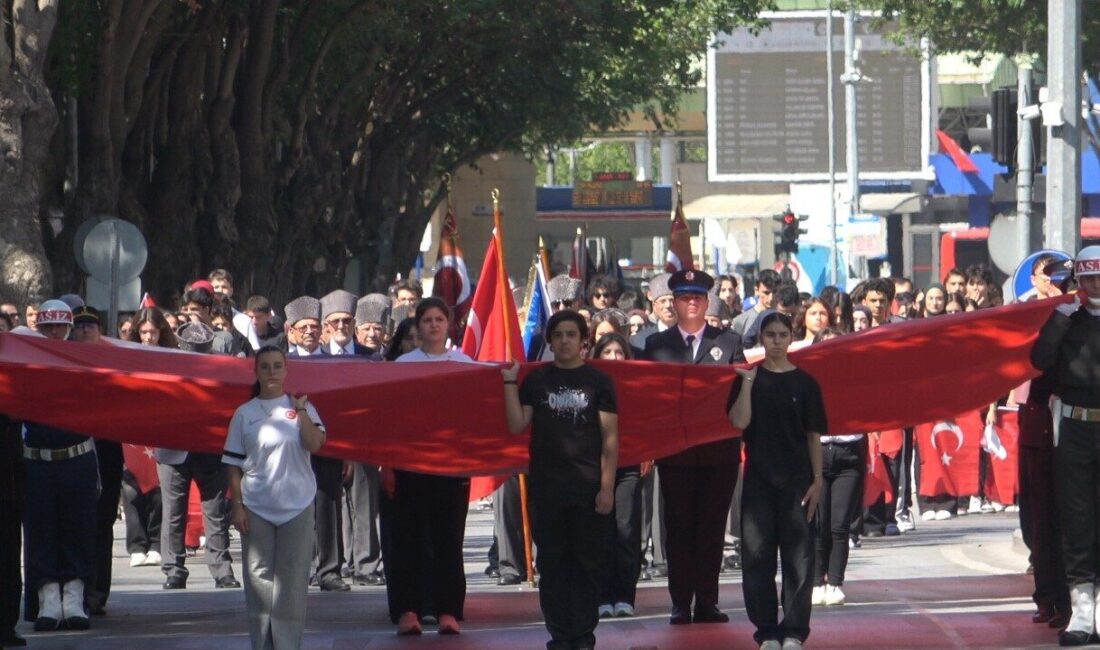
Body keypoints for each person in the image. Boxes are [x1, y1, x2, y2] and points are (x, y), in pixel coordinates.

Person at [503, 310, 618, 650]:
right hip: (547, 489)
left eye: (571, 334)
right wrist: (510, 381)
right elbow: (516, 424)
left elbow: (610, 437)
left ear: (584, 341)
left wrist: (607, 487)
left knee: (586, 564)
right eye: (558, 335)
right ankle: (559, 635)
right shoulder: (537, 381)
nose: (564, 340)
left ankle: (583, 635)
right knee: (552, 564)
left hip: (588, 488)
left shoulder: (599, 382)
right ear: (550, 341)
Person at [644, 269, 745, 625]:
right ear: (673, 302)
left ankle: (707, 600)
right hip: (676, 453)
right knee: (679, 527)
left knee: (711, 528)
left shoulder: (729, 342)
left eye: (698, 297)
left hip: (719, 452)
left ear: (707, 302)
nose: (691, 302)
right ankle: (679, 601)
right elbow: (649, 400)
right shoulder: (658, 346)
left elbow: (738, 394)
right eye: (684, 297)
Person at [728, 311, 827, 650]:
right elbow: (739, 422)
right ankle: (767, 630)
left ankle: (795, 630)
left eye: (782, 335)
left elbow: (814, 436)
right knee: (757, 557)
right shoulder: (748, 378)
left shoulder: (806, 383)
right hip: (758, 481)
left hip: (798, 481)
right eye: (770, 335)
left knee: (799, 558)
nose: (776, 341)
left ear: (791, 337)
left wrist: (818, 481)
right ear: (761, 339)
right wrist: (746, 383)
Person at [224, 346, 326, 650]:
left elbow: (315, 444)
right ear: (256, 371)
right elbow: (232, 464)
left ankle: (287, 644)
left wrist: (303, 412)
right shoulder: (244, 413)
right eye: (265, 366)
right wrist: (237, 505)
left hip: (297, 504)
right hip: (256, 506)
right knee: (258, 580)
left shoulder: (302, 408)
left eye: (277, 366)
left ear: (286, 370)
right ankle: (263, 644)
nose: (271, 372)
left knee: (293, 580)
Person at [387, 297, 473, 635]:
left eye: (439, 319)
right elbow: (389, 420)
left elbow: (472, 414)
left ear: (448, 324)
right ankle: (408, 610)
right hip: (410, 463)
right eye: (427, 320)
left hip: (450, 465)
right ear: (418, 326)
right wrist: (389, 464)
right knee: (407, 538)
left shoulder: (463, 363)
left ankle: (448, 610)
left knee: (448, 539)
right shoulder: (403, 365)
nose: (434, 325)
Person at [1030, 245, 1100, 647]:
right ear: (1077, 281)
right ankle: (1082, 609)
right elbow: (1039, 361)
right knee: (1076, 518)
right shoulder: (1064, 319)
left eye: (1098, 278)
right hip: (1072, 428)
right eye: (1086, 278)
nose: (1093, 286)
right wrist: (1057, 320)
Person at [21, 300, 98, 631]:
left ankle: (73, 598)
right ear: (39, 328)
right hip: (37, 462)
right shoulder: (25, 363)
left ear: (69, 328)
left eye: (59, 327)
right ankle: (48, 600)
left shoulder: (83, 363)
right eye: (47, 327)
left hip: (77, 458)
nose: (54, 333)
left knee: (77, 529)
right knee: (41, 531)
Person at [156, 322, 241, 591]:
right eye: (192, 350)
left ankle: (221, 568)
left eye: (202, 350)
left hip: (210, 449)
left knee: (215, 510)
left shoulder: (220, 373)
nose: (197, 354)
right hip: (172, 448)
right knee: (173, 512)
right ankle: (173, 569)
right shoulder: (165, 370)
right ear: (181, 347)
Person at [590, 333, 645, 619]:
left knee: (625, 531)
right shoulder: (588, 383)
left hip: (628, 465)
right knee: (600, 532)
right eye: (607, 352)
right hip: (593, 467)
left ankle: (625, 596)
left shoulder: (636, 384)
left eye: (618, 352)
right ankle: (601, 596)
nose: (613, 358)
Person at [810, 328, 864, 608]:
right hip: (817, 453)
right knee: (819, 525)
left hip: (848, 455)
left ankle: (835, 582)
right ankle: (817, 581)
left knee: (840, 526)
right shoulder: (808, 379)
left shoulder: (855, 376)